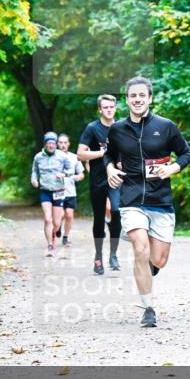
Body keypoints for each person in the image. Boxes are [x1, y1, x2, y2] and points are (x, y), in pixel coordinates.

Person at [105, 77, 190, 327]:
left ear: (150, 98)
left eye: (142, 95)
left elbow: (186, 153)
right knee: (140, 248)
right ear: (128, 100)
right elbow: (108, 156)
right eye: (133, 96)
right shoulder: (118, 129)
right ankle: (147, 308)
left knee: (158, 260)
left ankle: (150, 267)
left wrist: (173, 168)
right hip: (132, 199)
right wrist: (110, 168)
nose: (137, 99)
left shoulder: (165, 126)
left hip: (161, 200)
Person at [77, 95, 123, 275]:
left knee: (117, 210)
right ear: (100, 109)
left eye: (112, 106)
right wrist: (101, 153)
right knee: (98, 219)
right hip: (97, 179)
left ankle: (113, 254)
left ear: (115, 108)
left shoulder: (121, 127)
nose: (109, 109)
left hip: (116, 178)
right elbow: (80, 154)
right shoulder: (92, 128)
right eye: (105, 107)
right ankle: (98, 256)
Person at [30, 132, 73, 257]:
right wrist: (34, 180)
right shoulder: (38, 157)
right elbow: (34, 171)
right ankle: (49, 244)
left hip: (59, 191)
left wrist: (64, 174)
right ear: (45, 144)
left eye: (53, 143)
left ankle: (55, 233)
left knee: (56, 223)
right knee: (47, 218)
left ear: (55, 144)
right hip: (45, 191)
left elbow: (71, 170)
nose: (51, 145)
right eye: (49, 143)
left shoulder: (62, 156)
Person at [55, 133, 85, 247]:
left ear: (68, 144)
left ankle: (65, 237)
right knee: (60, 214)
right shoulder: (54, 157)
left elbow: (81, 174)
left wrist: (78, 177)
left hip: (70, 191)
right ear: (57, 144)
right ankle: (58, 227)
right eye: (61, 143)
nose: (63, 145)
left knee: (69, 215)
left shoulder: (74, 157)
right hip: (57, 191)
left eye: (65, 143)